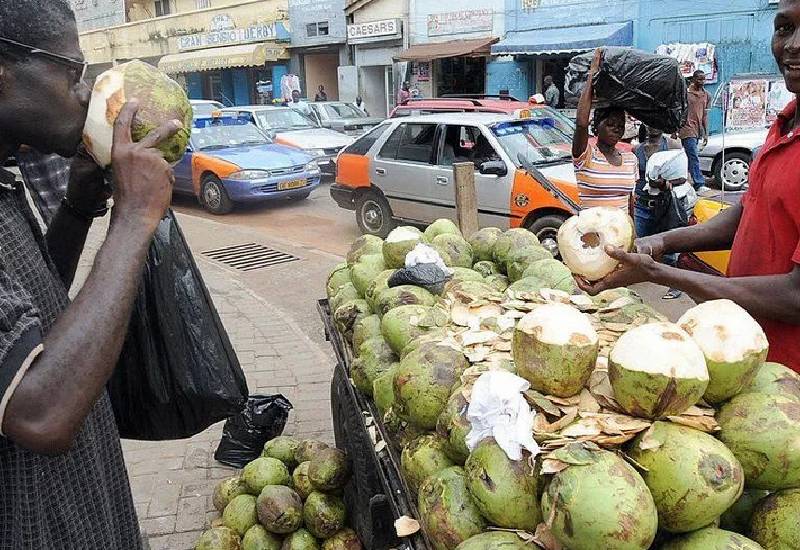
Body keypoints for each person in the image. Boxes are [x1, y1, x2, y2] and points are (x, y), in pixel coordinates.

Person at [0, 1, 183, 547]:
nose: (87, 93)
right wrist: (132, 219)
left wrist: (78, 209)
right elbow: (40, 414)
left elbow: (32, 314)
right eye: (72, 71)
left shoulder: (8, 183)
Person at [576, 0, 800, 373]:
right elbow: (747, 214)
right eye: (783, 28)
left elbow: (796, 297)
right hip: (739, 353)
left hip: (789, 378)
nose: (793, 45)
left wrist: (660, 271)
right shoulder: (782, 127)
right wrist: (659, 243)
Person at [572, 48, 638, 211]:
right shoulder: (586, 156)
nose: (616, 129)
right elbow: (581, 123)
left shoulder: (631, 159)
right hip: (591, 234)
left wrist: (633, 234)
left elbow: (630, 202)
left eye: (620, 126)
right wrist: (592, 75)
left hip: (621, 234)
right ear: (596, 125)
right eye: (610, 124)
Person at [636, 147, 694, 300]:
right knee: (640, 245)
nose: (652, 127)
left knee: (668, 246)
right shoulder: (638, 149)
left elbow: (683, 177)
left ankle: (674, 285)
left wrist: (665, 184)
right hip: (642, 205)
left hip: (665, 206)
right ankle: (643, 277)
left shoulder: (671, 144)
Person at [678, 70, 711, 191]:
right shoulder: (686, 94)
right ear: (693, 79)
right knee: (693, 155)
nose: (702, 82)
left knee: (688, 156)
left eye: (703, 79)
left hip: (698, 129)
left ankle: (684, 181)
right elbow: (679, 110)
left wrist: (706, 133)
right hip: (686, 128)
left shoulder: (706, 95)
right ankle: (699, 183)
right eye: (699, 79)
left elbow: (705, 116)